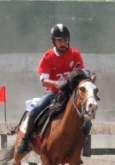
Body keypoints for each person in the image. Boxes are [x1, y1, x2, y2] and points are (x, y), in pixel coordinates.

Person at [17, 24, 86, 154]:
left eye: (65, 40)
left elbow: (81, 74)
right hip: (53, 93)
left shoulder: (75, 54)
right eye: (59, 40)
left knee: (87, 117)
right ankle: (25, 140)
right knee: (34, 112)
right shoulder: (48, 57)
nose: (63, 43)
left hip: (72, 94)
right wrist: (57, 84)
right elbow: (44, 81)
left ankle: (81, 142)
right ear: (53, 41)